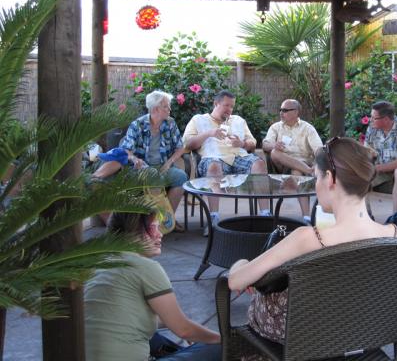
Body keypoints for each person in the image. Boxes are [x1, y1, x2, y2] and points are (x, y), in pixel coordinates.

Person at [227, 137, 397, 346]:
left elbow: (235, 281)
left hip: (306, 336)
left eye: (317, 177)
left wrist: (241, 263)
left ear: (330, 178)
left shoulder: (307, 238)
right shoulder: (394, 235)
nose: (316, 184)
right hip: (366, 332)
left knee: (260, 296)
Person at [84, 212, 221, 360]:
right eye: (153, 228)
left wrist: (184, 327)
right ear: (133, 232)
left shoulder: (100, 264)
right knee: (219, 346)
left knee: (155, 338)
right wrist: (223, 339)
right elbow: (184, 330)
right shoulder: (144, 267)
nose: (160, 234)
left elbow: (130, 319)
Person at [92, 90, 187, 227]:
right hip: (141, 168)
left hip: (163, 166)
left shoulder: (170, 123)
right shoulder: (137, 125)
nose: (169, 109)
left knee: (181, 177)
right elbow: (126, 149)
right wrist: (135, 159)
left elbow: (180, 147)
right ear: (155, 109)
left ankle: (167, 220)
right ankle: (150, 224)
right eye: (166, 106)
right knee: (152, 175)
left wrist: (169, 163)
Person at [182, 90, 267, 232]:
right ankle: (213, 218)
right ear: (216, 103)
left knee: (259, 163)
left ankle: (265, 214)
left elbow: (252, 142)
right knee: (214, 166)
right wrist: (209, 133)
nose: (229, 110)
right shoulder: (198, 120)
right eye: (226, 105)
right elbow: (188, 144)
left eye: (232, 106)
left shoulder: (238, 121)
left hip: (238, 157)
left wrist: (242, 144)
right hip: (212, 157)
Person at [262, 99, 323, 217]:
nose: (281, 113)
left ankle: (306, 216)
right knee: (274, 152)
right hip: (280, 165)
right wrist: (274, 145)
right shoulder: (276, 127)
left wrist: (318, 162)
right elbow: (265, 145)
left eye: (285, 110)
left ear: (296, 112)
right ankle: (309, 171)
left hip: (302, 163)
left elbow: (318, 149)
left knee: (297, 172)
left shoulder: (307, 128)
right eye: (280, 110)